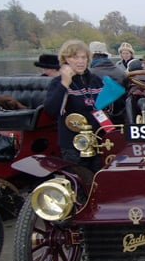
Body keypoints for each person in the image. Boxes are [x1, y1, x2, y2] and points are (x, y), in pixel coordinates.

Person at [44, 39, 104, 171]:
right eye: (75, 57)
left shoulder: (96, 80)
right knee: (79, 182)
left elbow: (107, 109)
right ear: (66, 60)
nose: (80, 61)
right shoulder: (57, 83)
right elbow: (51, 110)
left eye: (83, 57)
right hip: (73, 144)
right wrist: (65, 83)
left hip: (98, 141)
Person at [89, 41, 128, 124]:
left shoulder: (89, 74)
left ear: (91, 57)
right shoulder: (121, 73)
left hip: (95, 120)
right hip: (121, 119)